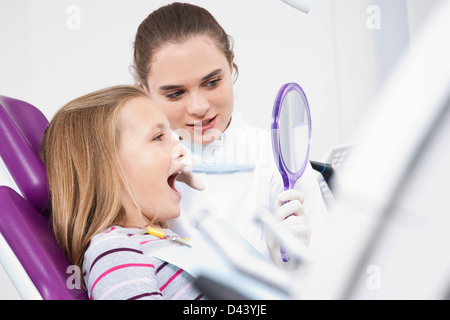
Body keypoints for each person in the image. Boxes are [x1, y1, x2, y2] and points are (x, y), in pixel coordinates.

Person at [132, 2, 328, 265]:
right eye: (176, 93)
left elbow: (332, 278)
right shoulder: (133, 170)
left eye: (212, 82)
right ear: (145, 92)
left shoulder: (280, 158)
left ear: (231, 64)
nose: (199, 108)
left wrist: (293, 267)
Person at [40, 85, 205, 300]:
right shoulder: (115, 249)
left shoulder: (160, 238)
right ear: (106, 169)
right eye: (158, 137)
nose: (180, 149)